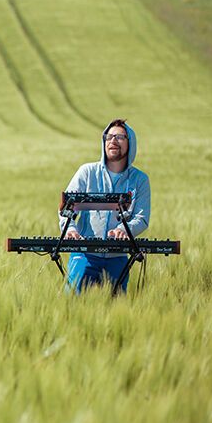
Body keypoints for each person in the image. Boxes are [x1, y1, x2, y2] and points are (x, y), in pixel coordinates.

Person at [60, 119, 150, 293]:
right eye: (109, 137)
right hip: (84, 255)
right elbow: (66, 209)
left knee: (116, 309)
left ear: (131, 143)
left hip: (118, 258)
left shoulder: (140, 180)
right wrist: (70, 229)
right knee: (72, 306)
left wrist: (124, 230)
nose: (113, 141)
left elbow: (141, 217)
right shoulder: (87, 172)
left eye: (120, 137)